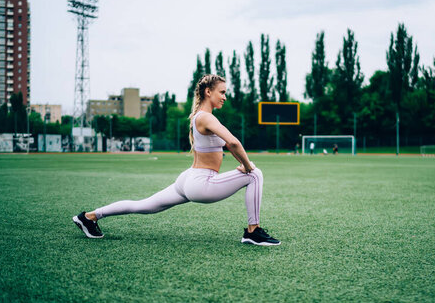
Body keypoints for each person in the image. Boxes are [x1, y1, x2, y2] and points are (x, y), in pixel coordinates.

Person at [72, 74, 280, 246]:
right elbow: (234, 143)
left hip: (188, 179)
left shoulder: (200, 116)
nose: (225, 97)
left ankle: (89, 217)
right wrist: (247, 166)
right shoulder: (206, 117)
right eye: (222, 92)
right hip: (201, 183)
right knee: (255, 174)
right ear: (209, 92)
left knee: (143, 205)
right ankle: (253, 232)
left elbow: (228, 146)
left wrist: (242, 164)